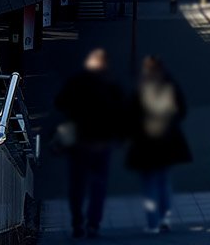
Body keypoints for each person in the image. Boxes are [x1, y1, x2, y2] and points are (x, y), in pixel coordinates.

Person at [55, 48, 125, 239]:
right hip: (102, 142)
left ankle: (77, 223)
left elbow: (60, 102)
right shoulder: (111, 84)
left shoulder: (77, 81)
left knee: (77, 184)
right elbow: (121, 113)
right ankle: (93, 224)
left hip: (79, 142)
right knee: (99, 184)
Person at [126, 56, 191, 233]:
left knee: (148, 184)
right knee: (164, 181)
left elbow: (131, 116)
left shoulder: (141, 88)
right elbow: (182, 111)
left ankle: (152, 222)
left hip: (145, 144)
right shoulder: (170, 86)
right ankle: (165, 219)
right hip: (166, 142)